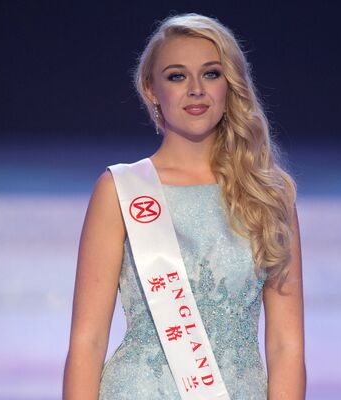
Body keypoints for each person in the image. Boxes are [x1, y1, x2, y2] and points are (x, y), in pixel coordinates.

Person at [63, 13, 305, 400]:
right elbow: (87, 340)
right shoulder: (120, 190)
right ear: (152, 89)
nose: (196, 89)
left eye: (211, 74)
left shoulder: (268, 196)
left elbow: (286, 347)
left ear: (231, 85)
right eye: (177, 76)